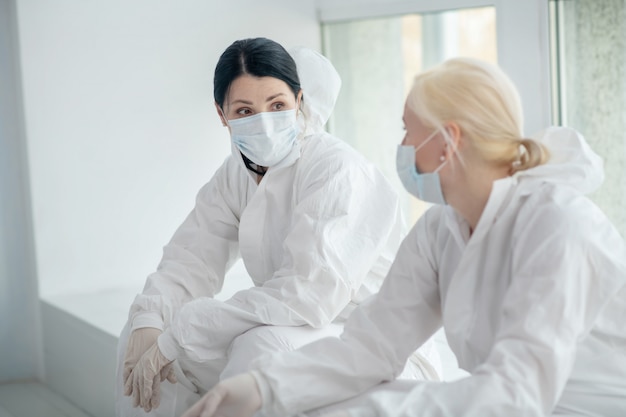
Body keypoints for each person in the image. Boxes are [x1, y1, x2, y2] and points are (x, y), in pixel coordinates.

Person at [182, 57, 626, 417]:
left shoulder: (558, 227)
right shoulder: (441, 231)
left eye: (407, 130)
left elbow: (515, 396)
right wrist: (263, 387)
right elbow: (372, 345)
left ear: (447, 141)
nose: (403, 145)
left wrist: (363, 409)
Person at [116, 37, 441, 417]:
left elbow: (307, 294)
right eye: (244, 110)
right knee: (139, 336)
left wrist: (184, 334)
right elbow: (190, 259)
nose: (264, 123)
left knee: (260, 346)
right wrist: (151, 320)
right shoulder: (235, 175)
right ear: (222, 115)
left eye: (276, 105)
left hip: (370, 341)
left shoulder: (336, 170)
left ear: (299, 101)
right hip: (297, 327)